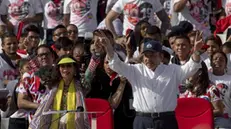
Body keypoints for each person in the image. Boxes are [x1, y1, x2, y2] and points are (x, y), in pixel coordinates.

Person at [97, 30, 203, 129]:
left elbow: (191, 67)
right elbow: (116, 64)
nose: (148, 59)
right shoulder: (136, 70)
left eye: (152, 55)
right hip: (143, 120)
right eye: (146, 56)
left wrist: (197, 51)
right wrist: (108, 47)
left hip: (166, 120)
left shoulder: (173, 70)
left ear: (161, 57)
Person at [29, 55, 90, 129]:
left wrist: (96, 54)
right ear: (58, 69)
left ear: (74, 68)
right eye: (62, 66)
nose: (65, 70)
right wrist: (30, 53)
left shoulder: (81, 85)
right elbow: (38, 70)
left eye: (68, 66)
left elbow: (90, 72)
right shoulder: (52, 85)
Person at [17, 44, 55, 122]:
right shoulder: (28, 77)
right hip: (36, 121)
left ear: (52, 56)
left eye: (46, 54)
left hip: (58, 120)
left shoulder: (61, 74)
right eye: (41, 55)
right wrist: (40, 106)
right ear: (37, 58)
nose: (44, 57)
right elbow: (20, 102)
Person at [180, 62, 225, 127]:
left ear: (199, 72)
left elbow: (219, 111)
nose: (187, 73)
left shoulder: (211, 89)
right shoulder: (185, 91)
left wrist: (199, 115)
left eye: (190, 70)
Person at [105, 0, 171, 38]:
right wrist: (116, 37)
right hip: (129, 38)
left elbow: (165, 19)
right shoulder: (123, 1)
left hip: (148, 37)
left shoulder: (153, 0)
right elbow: (108, 19)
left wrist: (161, 35)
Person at [209, 51, 231, 128]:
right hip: (204, 117)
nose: (218, 61)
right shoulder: (205, 77)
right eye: (215, 59)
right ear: (211, 63)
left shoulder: (229, 79)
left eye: (221, 60)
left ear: (225, 65)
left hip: (224, 118)